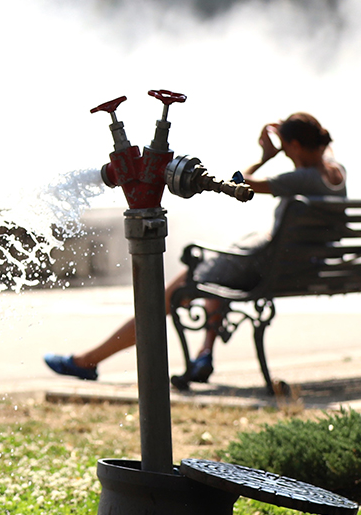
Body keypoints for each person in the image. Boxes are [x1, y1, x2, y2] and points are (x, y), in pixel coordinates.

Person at [44, 112, 345, 385]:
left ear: (292, 144)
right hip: (298, 266)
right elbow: (320, 152)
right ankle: (204, 354)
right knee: (215, 270)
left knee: (164, 298)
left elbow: (235, 183)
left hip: (263, 266)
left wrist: (265, 155)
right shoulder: (336, 173)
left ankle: (87, 361)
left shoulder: (303, 178)